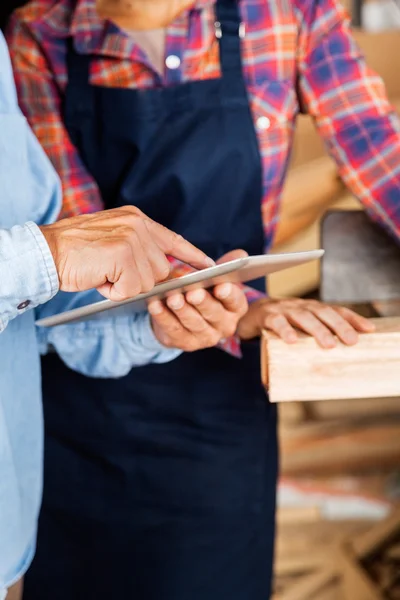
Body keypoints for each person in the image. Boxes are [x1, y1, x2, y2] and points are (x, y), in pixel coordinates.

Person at [6, 0, 400, 597]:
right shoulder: (41, 31)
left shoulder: (290, 14)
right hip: (77, 395)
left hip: (222, 396)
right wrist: (234, 302)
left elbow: (379, 154)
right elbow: (78, 237)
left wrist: (241, 311)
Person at [0, 28, 250, 600]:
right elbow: (40, 262)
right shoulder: (39, 32)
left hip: (11, 541)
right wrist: (45, 255)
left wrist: (153, 315)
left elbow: (33, 312)